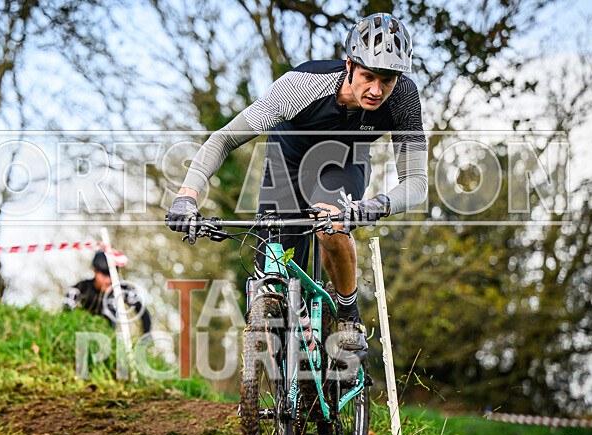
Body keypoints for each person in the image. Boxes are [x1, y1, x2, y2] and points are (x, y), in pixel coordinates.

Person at [166, 13, 428, 357]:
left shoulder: (404, 98)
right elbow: (223, 139)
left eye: (388, 80)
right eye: (368, 76)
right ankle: (281, 377)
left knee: (331, 225)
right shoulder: (301, 85)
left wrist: (376, 205)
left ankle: (348, 315)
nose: (377, 90)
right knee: (269, 284)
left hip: (343, 166)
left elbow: (417, 182)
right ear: (349, 64)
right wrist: (187, 196)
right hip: (286, 165)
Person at [63, 251, 152, 335]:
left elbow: (143, 312)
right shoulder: (80, 289)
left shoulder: (121, 289)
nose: (108, 280)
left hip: (108, 337)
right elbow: (65, 313)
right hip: (81, 335)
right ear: (95, 271)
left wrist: (145, 338)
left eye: (111, 275)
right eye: (104, 275)